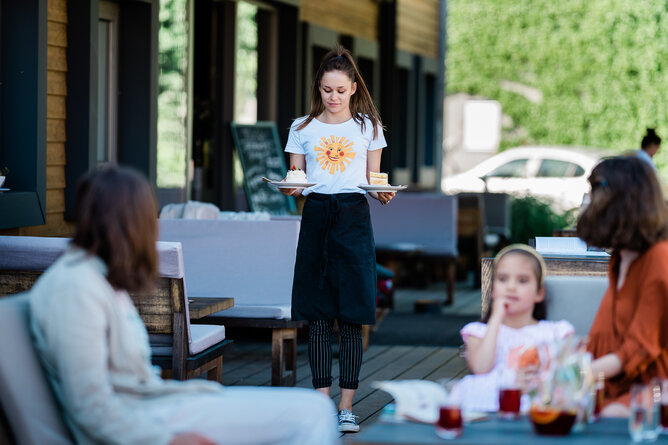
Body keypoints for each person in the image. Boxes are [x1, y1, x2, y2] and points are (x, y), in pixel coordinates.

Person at [29, 166, 339, 445]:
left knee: (315, 407)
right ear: (127, 224)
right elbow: (92, 408)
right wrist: (167, 440)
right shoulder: (75, 289)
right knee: (311, 414)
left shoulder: (99, 276)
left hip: (158, 404)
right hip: (144, 419)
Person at [279, 44, 394, 433]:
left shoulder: (368, 128)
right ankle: (320, 405)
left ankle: (346, 407)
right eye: (327, 90)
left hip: (353, 219)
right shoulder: (301, 128)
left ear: (354, 88)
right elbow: (296, 181)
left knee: (352, 316)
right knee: (316, 316)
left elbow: (374, 181)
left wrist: (383, 194)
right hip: (316, 217)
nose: (333, 97)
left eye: (341, 90)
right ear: (319, 87)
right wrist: (290, 189)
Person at [577, 155, 668, 417]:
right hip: (613, 383)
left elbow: (639, 346)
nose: (587, 203)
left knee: (609, 415)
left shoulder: (659, 258)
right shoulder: (620, 258)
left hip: (653, 388)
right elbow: (609, 338)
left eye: (593, 193)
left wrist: (574, 373)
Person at [455, 244, 575, 412]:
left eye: (522, 280)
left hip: (539, 408)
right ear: (492, 290)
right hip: (489, 406)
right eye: (503, 279)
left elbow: (569, 377)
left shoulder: (556, 333)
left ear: (539, 293)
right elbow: (481, 368)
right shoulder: (479, 332)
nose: (511, 287)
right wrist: (496, 318)